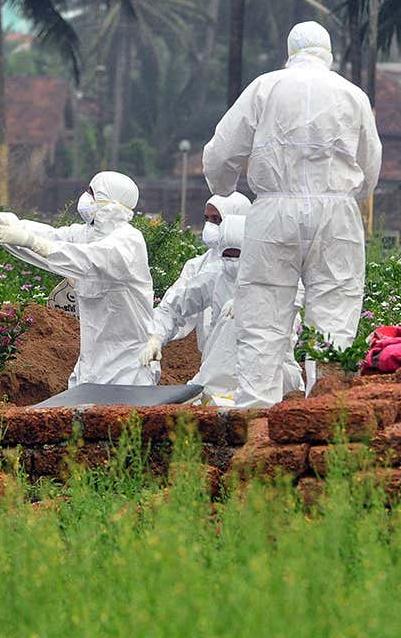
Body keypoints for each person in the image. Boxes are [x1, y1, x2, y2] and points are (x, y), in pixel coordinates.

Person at [204, 21, 382, 409]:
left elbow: (221, 151)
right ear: (328, 52)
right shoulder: (352, 94)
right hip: (337, 213)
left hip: (274, 210)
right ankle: (326, 409)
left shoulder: (265, 88)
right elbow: (371, 167)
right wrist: (351, 194)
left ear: (290, 51)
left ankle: (256, 411)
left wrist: (223, 187)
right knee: (335, 312)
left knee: (262, 313)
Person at [0, 171, 157, 386]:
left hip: (129, 369)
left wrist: (31, 242)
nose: (85, 197)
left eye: (91, 192)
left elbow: (88, 259)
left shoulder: (129, 241)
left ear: (110, 201)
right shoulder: (86, 235)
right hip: (91, 367)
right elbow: (52, 238)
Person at [140, 215, 246, 404]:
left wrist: (249, 302)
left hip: (261, 379)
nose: (232, 262)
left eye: (237, 255)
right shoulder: (215, 276)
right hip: (215, 378)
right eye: (227, 256)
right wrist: (156, 336)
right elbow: (172, 308)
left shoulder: (270, 279)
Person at [160, 192, 251, 348]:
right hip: (213, 362)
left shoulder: (265, 268)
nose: (209, 226)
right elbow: (175, 308)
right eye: (206, 219)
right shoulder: (198, 267)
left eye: (216, 219)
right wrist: (155, 335)